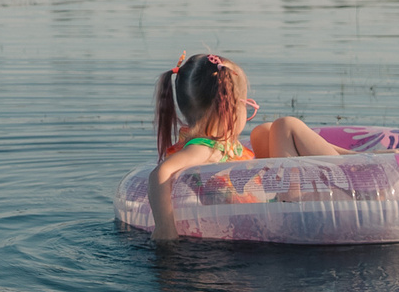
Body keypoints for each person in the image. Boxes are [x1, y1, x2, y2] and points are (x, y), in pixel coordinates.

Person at [146, 51, 343, 243]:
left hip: (268, 210)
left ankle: (351, 158)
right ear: (229, 107)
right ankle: (348, 172)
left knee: (263, 131)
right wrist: (165, 228)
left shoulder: (215, 144)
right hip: (278, 220)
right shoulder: (204, 149)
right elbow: (160, 172)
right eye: (246, 104)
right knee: (286, 125)